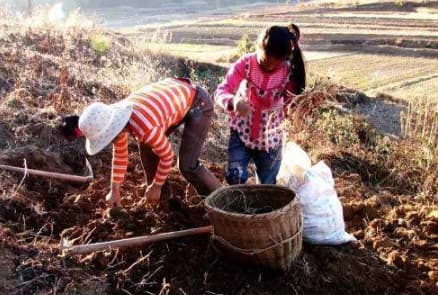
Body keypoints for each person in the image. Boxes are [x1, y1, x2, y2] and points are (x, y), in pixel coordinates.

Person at [61, 78, 222, 207]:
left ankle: (221, 201)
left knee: (187, 165)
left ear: (113, 128)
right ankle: (162, 199)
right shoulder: (118, 120)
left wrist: (156, 186)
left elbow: (167, 156)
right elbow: (120, 155)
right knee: (146, 149)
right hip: (171, 100)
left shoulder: (144, 127)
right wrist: (114, 189)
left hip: (197, 102)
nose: (111, 141)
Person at [214, 24, 306, 185]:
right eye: (265, 61)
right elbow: (221, 91)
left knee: (268, 186)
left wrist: (304, 105)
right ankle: (238, 209)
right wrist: (234, 102)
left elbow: (291, 105)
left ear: (285, 59)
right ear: (258, 47)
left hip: (270, 139)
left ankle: (260, 210)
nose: (269, 67)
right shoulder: (246, 64)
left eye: (275, 65)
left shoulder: (288, 72)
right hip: (241, 133)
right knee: (235, 177)